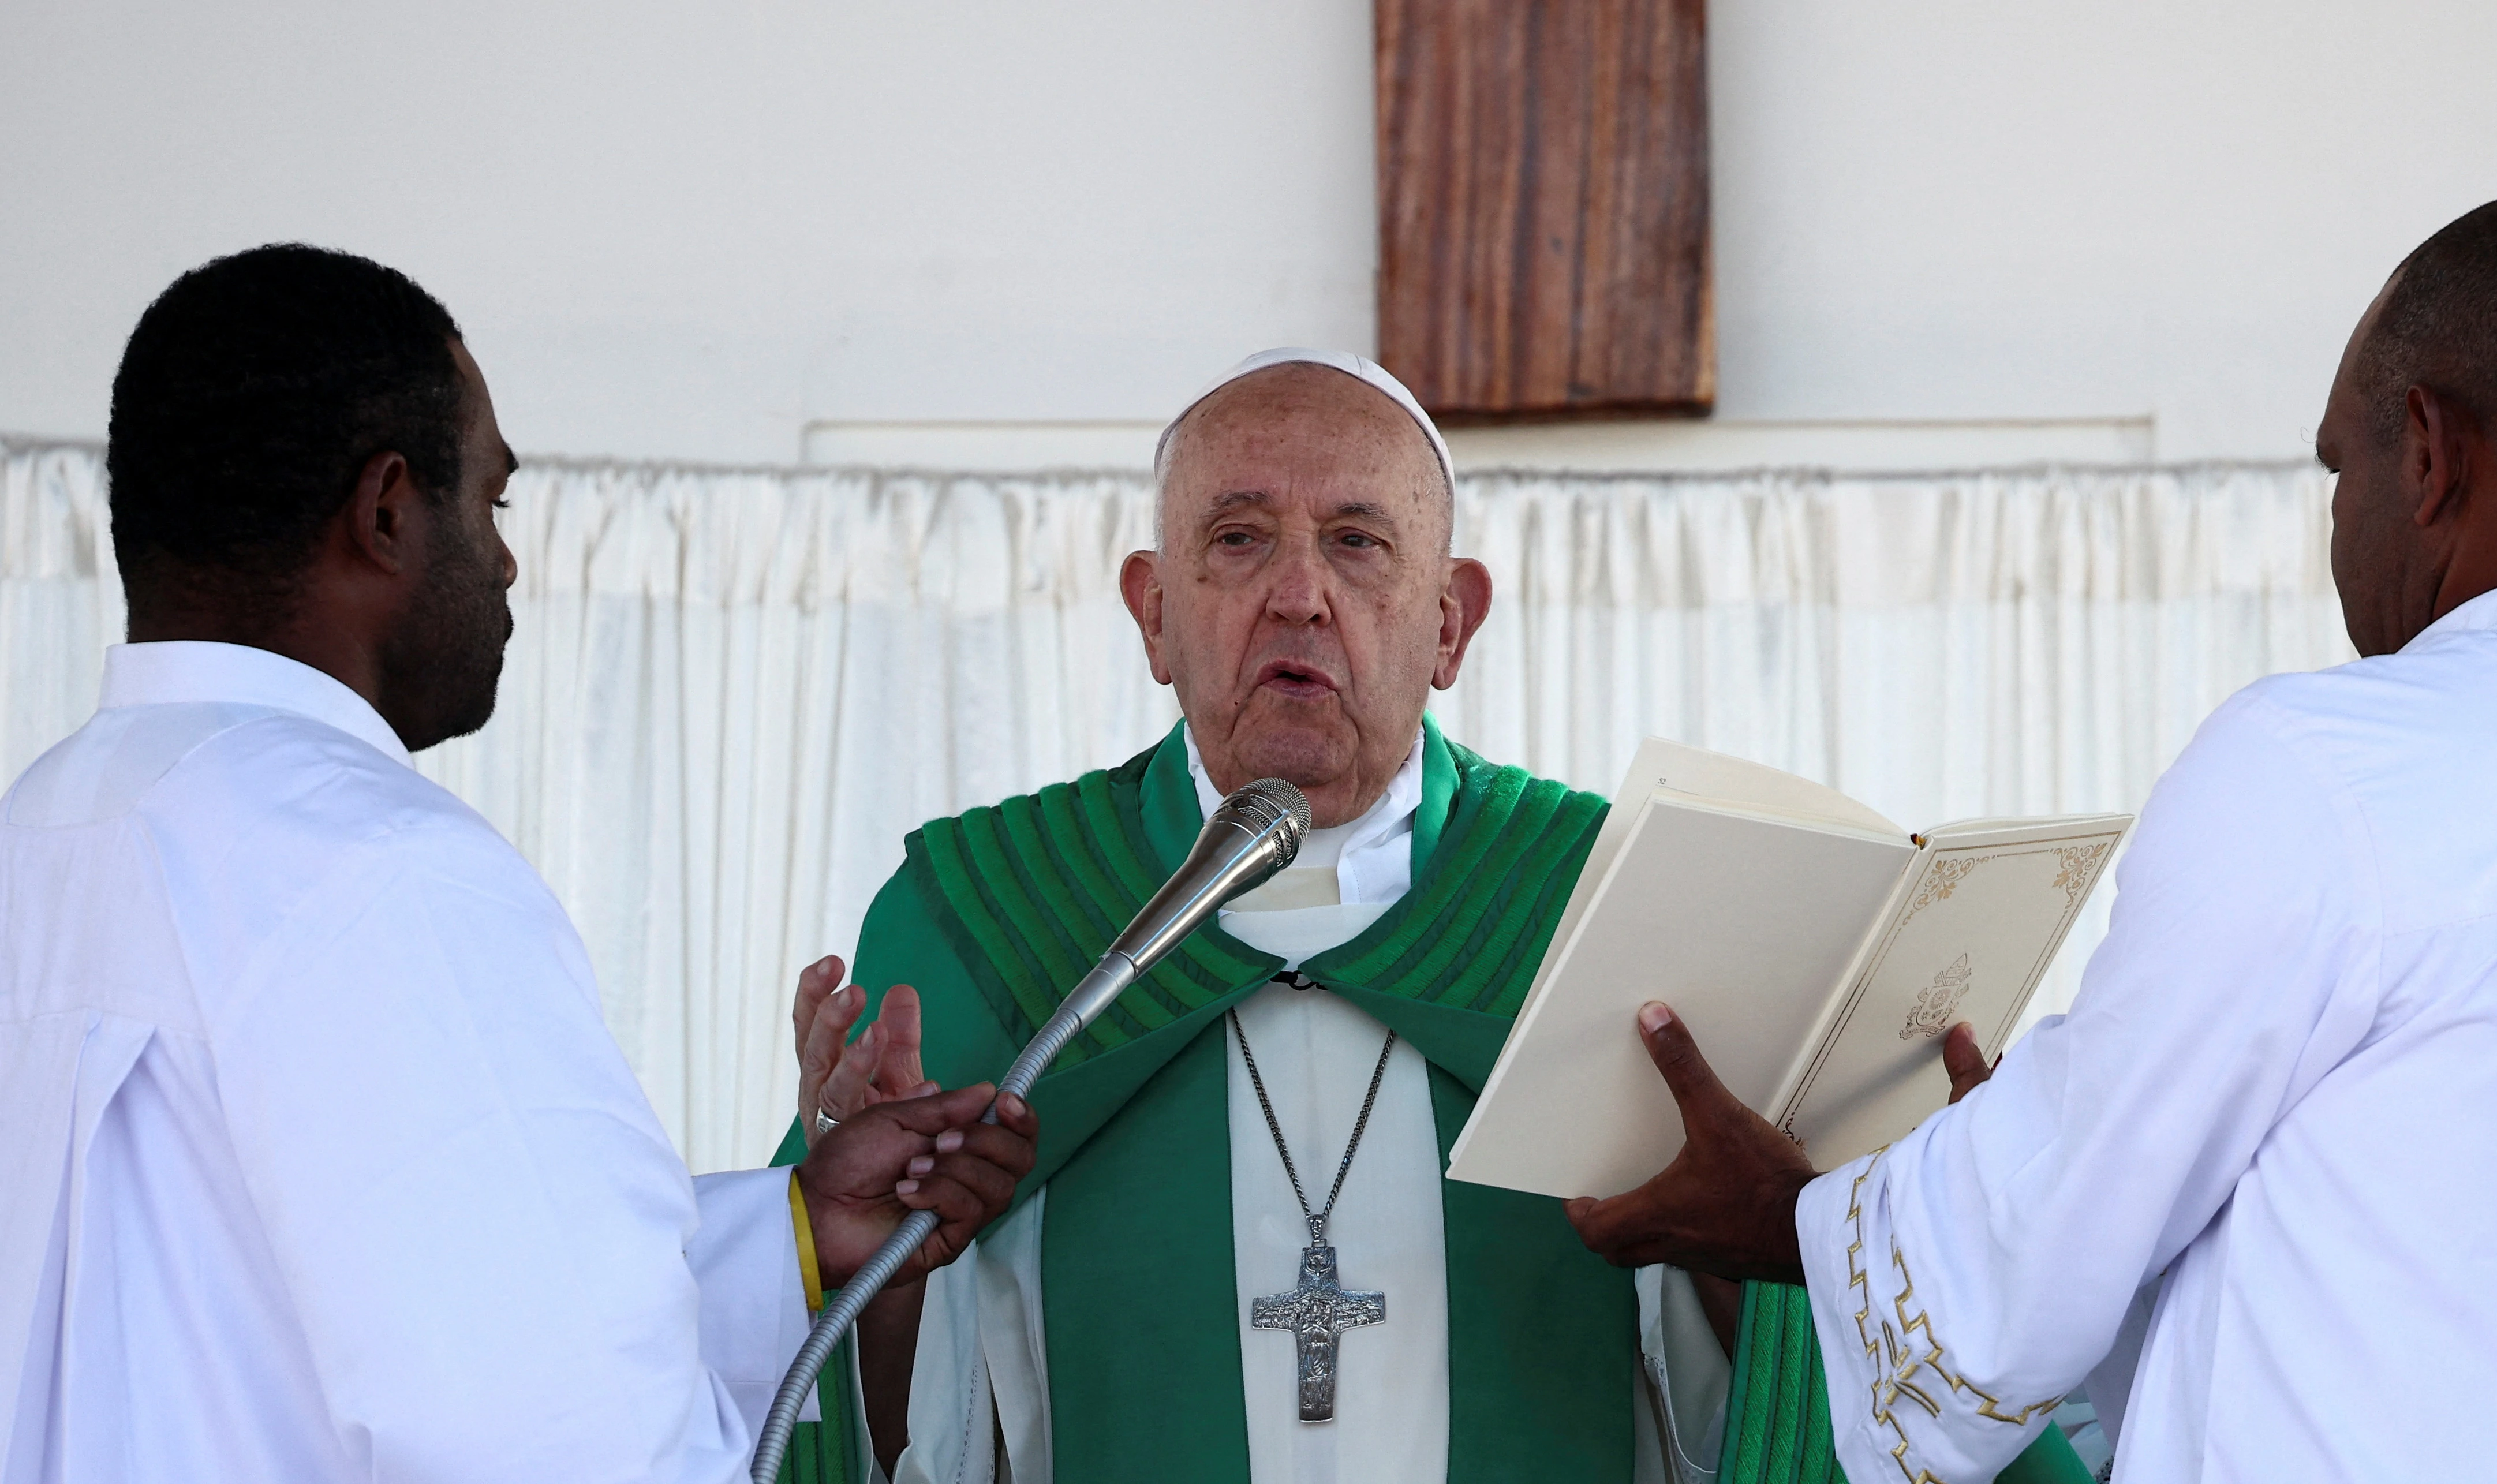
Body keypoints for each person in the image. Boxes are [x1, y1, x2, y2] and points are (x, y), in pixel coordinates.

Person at [777, 349, 2089, 1483]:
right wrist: (881, 1276)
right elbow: (830, 1398)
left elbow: (1795, 1373)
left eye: (1357, 542)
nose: (1299, 594)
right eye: (1237, 539)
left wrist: (1764, 1244)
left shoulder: (1609, 901)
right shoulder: (991, 915)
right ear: (1154, 613)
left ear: (1450, 621)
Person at [1567, 191, 2497, 1481]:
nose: (2336, 515)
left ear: (2426, 455)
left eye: (2335, 467)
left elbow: (2037, 1253)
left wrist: (1791, 1215)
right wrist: (2029, 1146)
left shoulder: (2331, 769)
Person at [0, 244, 1037, 1483]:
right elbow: (565, 1429)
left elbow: (223, 1323)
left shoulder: (41, 829)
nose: (504, 562)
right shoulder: (380, 865)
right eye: (491, 504)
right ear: (388, 512)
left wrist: (798, 1235)